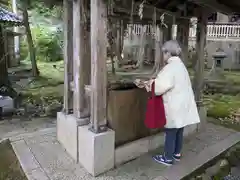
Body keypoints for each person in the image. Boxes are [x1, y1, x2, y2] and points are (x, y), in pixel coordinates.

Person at [135, 40, 200, 166]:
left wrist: (146, 83)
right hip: (183, 103)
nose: (163, 56)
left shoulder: (170, 68)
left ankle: (168, 157)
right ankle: (177, 153)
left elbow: (159, 87)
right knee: (179, 129)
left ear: (168, 53)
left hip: (174, 104)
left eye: (163, 53)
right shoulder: (181, 65)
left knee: (171, 131)